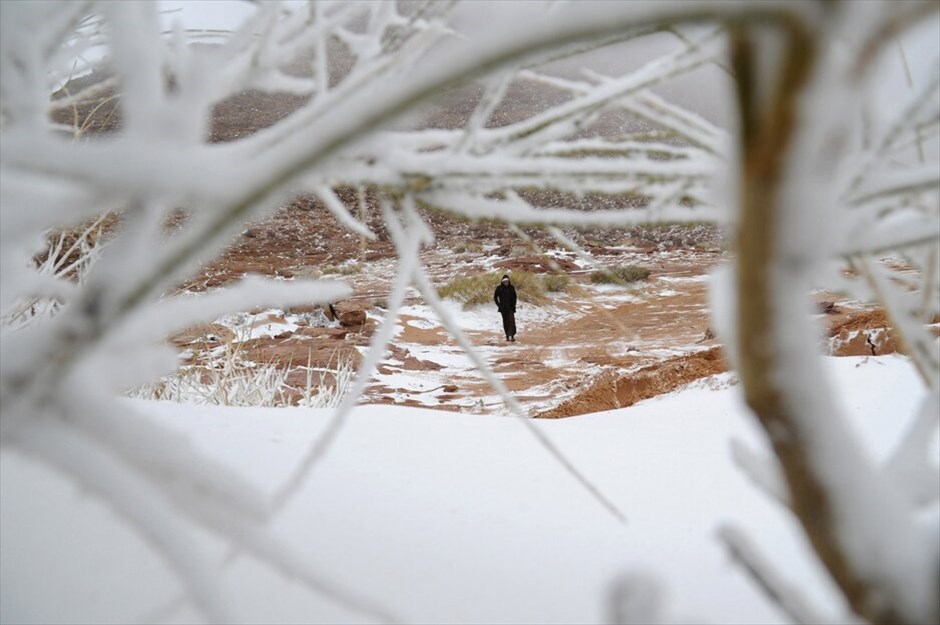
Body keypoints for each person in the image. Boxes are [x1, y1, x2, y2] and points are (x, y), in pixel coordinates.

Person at [493, 274, 517, 342]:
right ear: (502, 282)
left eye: (507, 281)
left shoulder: (511, 287)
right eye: (505, 282)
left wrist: (514, 304)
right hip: (503, 309)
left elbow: (515, 297)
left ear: (509, 281)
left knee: (512, 322)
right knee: (505, 322)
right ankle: (507, 336)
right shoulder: (499, 288)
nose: (506, 283)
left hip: (511, 308)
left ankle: (512, 336)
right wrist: (499, 305)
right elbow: (495, 297)